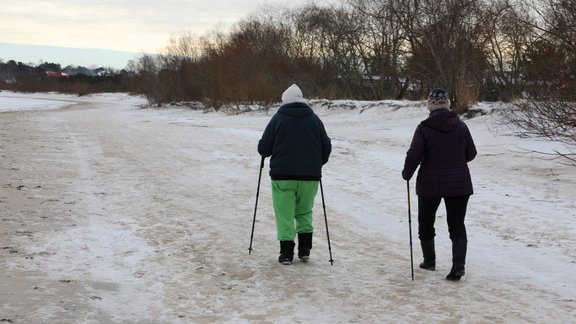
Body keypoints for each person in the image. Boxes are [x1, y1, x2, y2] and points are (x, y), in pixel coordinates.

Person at [402, 88, 477, 281]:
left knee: (426, 221)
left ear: (430, 105)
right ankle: (458, 267)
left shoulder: (424, 127)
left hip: (430, 183)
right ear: (447, 104)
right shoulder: (461, 126)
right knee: (457, 225)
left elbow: (414, 154)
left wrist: (407, 173)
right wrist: (455, 161)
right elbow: (471, 153)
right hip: (459, 183)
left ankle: (429, 261)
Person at [258, 84, 332, 265]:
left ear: (285, 100)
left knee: (284, 214)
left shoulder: (278, 118)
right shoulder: (314, 119)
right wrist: (316, 164)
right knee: (304, 211)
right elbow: (326, 146)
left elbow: (264, 148)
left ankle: (286, 253)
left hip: (283, 176)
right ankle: (305, 250)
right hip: (310, 177)